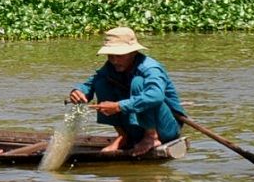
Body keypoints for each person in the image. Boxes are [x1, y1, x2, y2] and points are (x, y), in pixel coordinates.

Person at [67, 25, 183, 156]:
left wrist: (118, 106)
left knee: (138, 83)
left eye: (119, 56)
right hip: (135, 127)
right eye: (111, 56)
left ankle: (151, 137)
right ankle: (123, 135)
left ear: (133, 53)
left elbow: (156, 95)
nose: (114, 60)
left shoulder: (150, 68)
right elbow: (91, 83)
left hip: (165, 128)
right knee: (101, 83)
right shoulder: (110, 67)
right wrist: (79, 91)